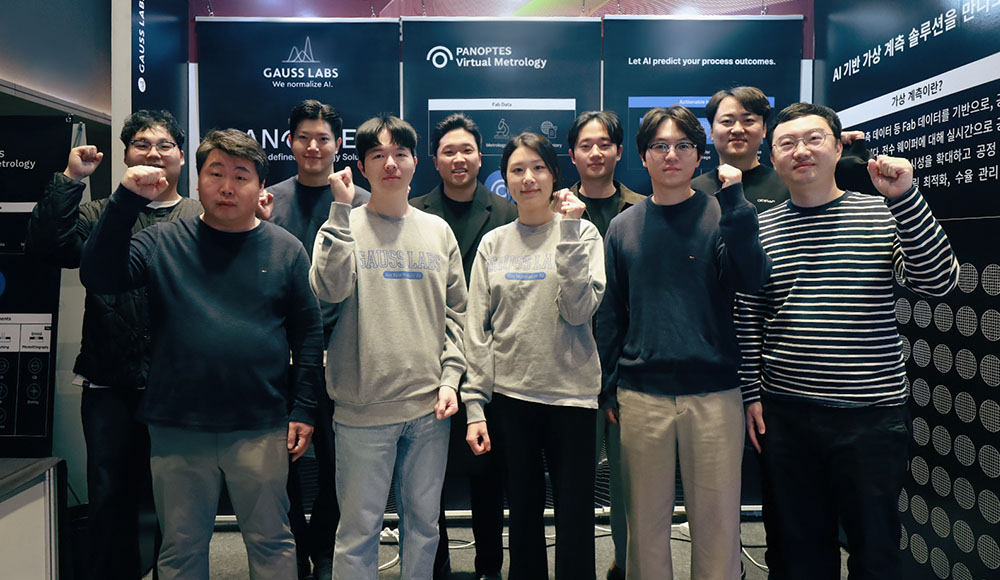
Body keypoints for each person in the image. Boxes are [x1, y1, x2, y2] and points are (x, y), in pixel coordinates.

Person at [79, 129, 323, 580]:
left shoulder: (285, 248)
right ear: (198, 181)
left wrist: (305, 407)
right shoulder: (162, 241)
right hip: (177, 425)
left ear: (260, 187)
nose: (227, 187)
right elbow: (98, 275)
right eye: (216, 173)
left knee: (272, 540)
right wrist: (125, 201)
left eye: (241, 176)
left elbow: (307, 334)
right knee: (181, 547)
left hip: (259, 424)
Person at [736, 103, 959, 580]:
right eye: (787, 143)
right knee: (795, 555)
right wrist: (751, 394)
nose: (800, 150)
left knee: (874, 552)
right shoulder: (760, 227)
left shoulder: (883, 212)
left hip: (870, 417)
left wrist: (906, 198)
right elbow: (748, 315)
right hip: (786, 416)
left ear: (839, 147)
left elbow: (938, 281)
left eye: (814, 139)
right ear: (772, 158)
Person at [25, 110, 203, 580]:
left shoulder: (199, 216)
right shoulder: (99, 213)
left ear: (181, 156)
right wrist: (71, 179)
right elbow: (46, 247)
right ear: (125, 156)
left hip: (179, 385)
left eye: (164, 145)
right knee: (109, 499)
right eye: (142, 144)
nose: (153, 153)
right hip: (110, 382)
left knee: (178, 505)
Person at [596, 105, 771, 580]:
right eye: (659, 146)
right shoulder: (623, 226)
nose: (671, 155)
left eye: (683, 145)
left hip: (715, 393)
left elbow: (751, 278)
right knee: (644, 528)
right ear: (643, 157)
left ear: (699, 155)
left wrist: (737, 206)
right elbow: (611, 315)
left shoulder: (724, 212)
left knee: (717, 526)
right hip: (641, 395)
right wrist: (610, 387)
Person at [309, 114, 466, 580]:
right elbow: (328, 290)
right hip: (362, 410)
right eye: (378, 155)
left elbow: (458, 316)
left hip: (429, 408)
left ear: (416, 161)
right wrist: (339, 212)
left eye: (400, 153)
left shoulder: (438, 231)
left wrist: (451, 379)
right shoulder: (342, 224)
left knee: (425, 528)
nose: (390, 164)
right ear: (361, 166)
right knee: (358, 532)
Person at [463, 132, 605, 580]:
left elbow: (578, 311)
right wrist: (475, 405)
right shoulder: (493, 244)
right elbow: (476, 330)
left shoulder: (584, 233)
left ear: (554, 175)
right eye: (517, 170)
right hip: (511, 397)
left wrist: (568, 233)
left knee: (575, 517)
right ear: (505, 180)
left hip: (571, 396)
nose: (528, 178)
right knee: (523, 517)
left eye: (538, 168)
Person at [263, 98, 370, 580]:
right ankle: (295, 551)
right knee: (278, 464)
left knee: (337, 464)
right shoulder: (268, 201)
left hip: (342, 353)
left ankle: (325, 551)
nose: (313, 147)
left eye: (323, 138)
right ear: (289, 142)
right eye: (304, 138)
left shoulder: (361, 202)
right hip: (279, 356)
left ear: (338, 144)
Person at [409, 112, 516, 580]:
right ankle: (436, 566)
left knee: (487, 474)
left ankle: (489, 566)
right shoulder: (414, 212)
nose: (458, 159)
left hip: (493, 362)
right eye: (448, 151)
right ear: (434, 160)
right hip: (430, 360)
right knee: (425, 480)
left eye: (466, 150)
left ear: (480, 156)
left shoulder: (507, 212)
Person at [566, 110, 645, 580]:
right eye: (585, 145)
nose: (595, 153)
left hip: (627, 369)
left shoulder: (643, 209)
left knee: (627, 483)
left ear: (618, 151)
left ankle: (625, 565)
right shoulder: (552, 209)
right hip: (567, 369)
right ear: (572, 153)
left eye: (604, 144)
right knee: (573, 483)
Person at [692, 86, 874, 211]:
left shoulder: (794, 182)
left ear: (764, 129)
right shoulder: (693, 189)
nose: (738, 129)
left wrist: (832, 142)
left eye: (748, 120)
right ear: (712, 132)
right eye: (727, 121)